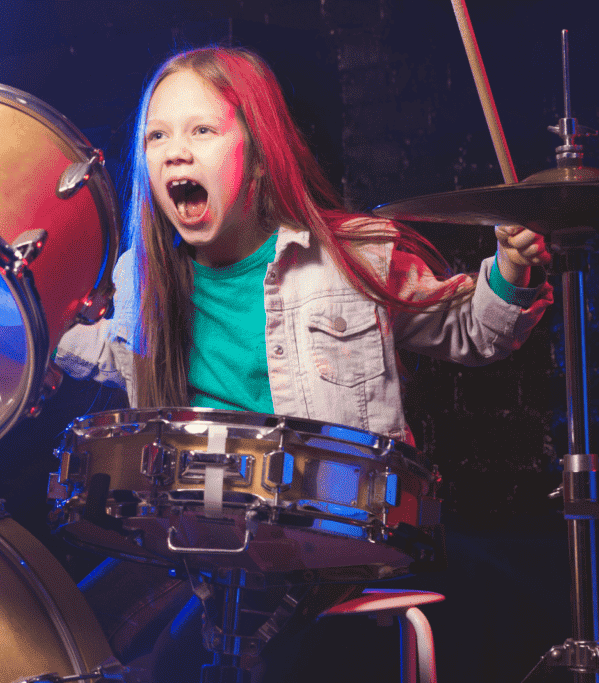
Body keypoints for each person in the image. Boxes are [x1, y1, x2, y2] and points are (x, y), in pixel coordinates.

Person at [52, 45, 553, 682]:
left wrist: (512, 269)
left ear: (259, 155)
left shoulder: (353, 257)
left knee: (193, 656)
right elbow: (88, 347)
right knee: (68, 626)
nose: (174, 150)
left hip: (325, 542)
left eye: (203, 129)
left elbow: (471, 330)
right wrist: (17, 316)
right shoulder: (140, 280)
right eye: (157, 135)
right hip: (193, 539)